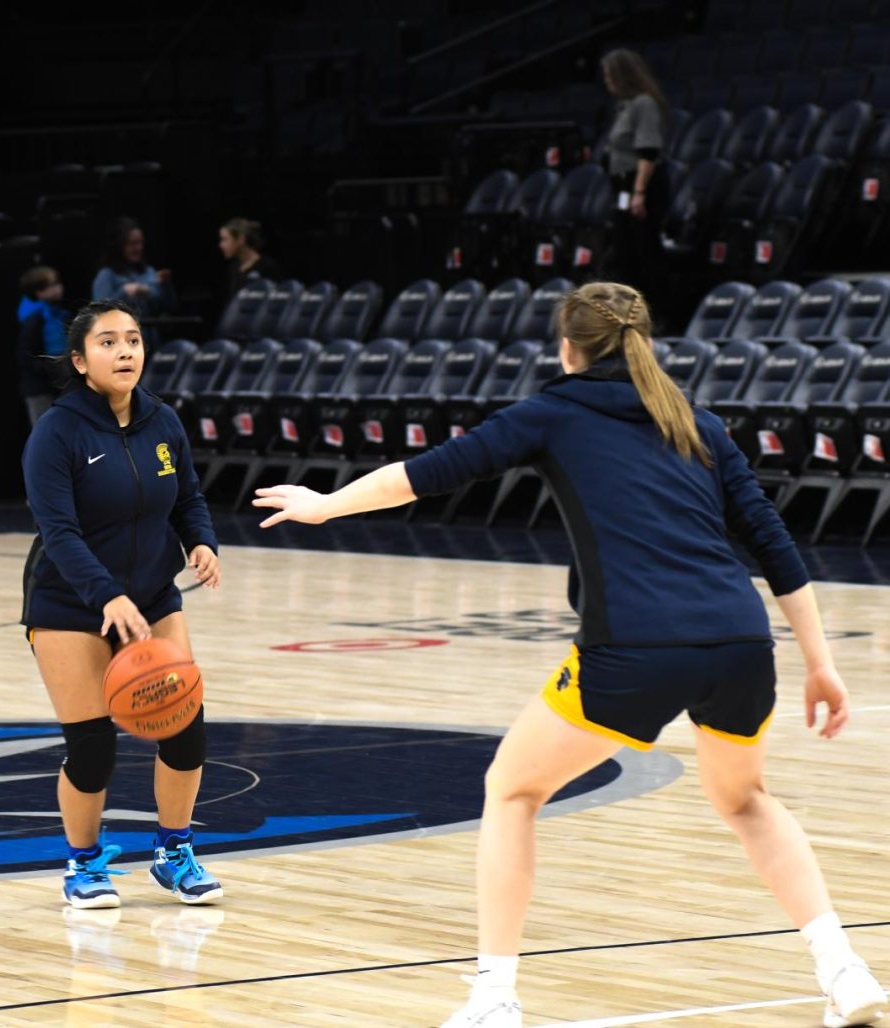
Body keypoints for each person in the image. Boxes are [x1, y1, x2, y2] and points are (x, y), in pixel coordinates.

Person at [253, 282, 888, 1028]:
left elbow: (427, 475)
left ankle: (494, 998)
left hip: (634, 647)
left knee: (512, 790)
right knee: (746, 800)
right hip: (740, 642)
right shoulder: (698, 422)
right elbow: (774, 545)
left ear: (568, 348)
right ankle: (844, 971)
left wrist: (325, 503)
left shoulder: (553, 412)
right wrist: (820, 662)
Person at [21, 298, 224, 910]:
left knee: (186, 728)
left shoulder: (163, 420)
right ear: (81, 361)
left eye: (133, 339)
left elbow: (187, 496)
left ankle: (174, 850)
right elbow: (59, 533)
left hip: (153, 593)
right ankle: (83, 864)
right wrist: (105, 594)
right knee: (92, 747)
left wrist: (202, 543)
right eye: (108, 342)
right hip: (68, 600)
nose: (125, 351)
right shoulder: (55, 433)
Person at [600, 49, 671, 322]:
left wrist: (639, 192)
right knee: (624, 253)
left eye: (609, 75)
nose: (607, 81)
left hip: (642, 186)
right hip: (622, 188)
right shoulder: (624, 107)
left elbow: (649, 152)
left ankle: (660, 316)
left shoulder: (645, 104)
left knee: (646, 252)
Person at [91, 217, 176, 322]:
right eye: (133, 243)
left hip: (152, 335)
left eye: (141, 243)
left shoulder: (148, 271)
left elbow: (168, 307)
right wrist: (124, 292)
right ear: (119, 246)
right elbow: (100, 313)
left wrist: (165, 285)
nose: (139, 248)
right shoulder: (107, 275)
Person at [17, 265, 68, 425]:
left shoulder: (61, 314)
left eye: (57, 283)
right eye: (51, 286)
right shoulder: (33, 320)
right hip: (39, 387)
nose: (58, 288)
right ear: (38, 292)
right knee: (45, 434)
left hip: (60, 383)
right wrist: (49, 366)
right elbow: (25, 355)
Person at [218, 217, 282, 299]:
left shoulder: (267, 267)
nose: (221, 245)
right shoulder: (233, 268)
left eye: (225, 239)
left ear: (241, 239)